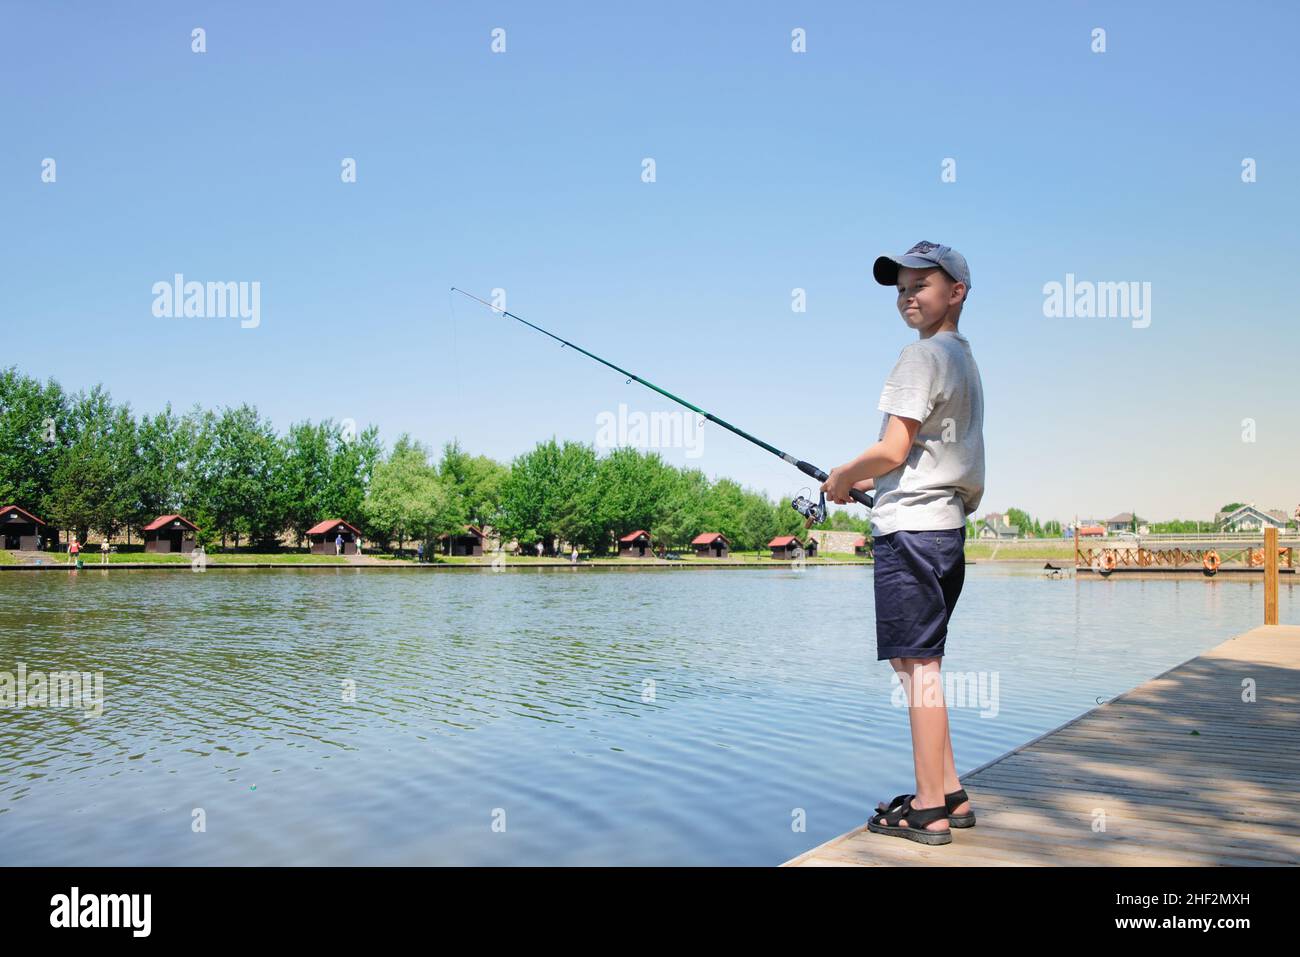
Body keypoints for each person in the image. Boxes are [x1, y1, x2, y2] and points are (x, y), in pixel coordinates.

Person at [821, 241, 984, 846]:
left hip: (912, 532)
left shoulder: (919, 358)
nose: (908, 295)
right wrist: (870, 482)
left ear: (956, 292)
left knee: (919, 668)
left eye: (922, 284)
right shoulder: (963, 360)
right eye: (900, 288)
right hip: (942, 528)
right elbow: (920, 457)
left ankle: (928, 808)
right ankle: (950, 791)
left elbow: (892, 448)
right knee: (915, 661)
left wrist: (841, 476)